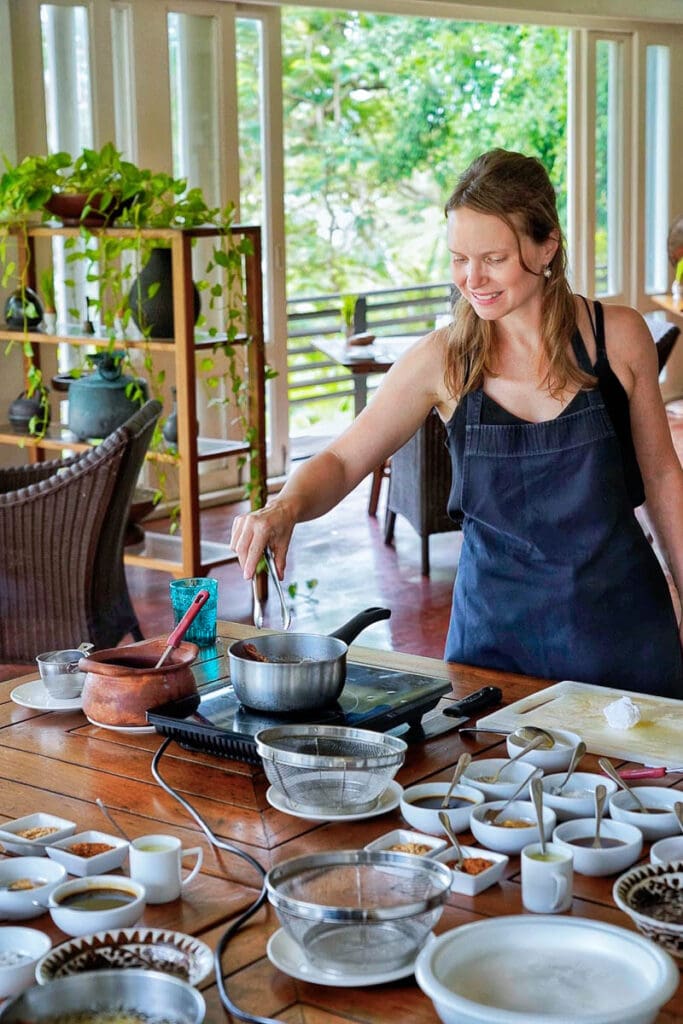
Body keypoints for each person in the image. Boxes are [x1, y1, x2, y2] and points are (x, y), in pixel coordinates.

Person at [231, 148, 683, 698]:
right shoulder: (443, 361)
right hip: (495, 655)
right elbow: (344, 458)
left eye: (493, 257)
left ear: (547, 246)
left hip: (625, 643)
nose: (473, 279)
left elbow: (662, 479)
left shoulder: (618, 337)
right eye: (458, 258)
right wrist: (285, 507)